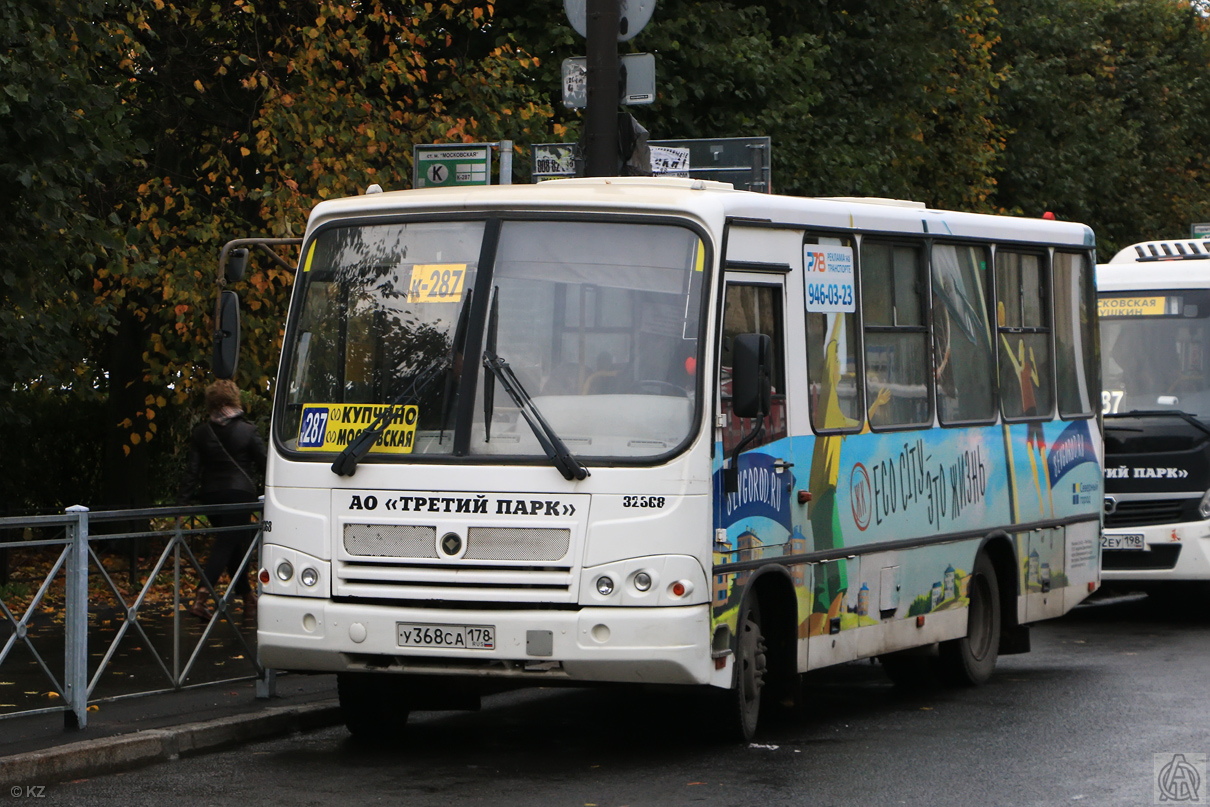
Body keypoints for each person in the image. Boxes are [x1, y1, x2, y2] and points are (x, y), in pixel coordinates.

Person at [178, 379, 267, 627]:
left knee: (232, 546)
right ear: (235, 399)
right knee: (225, 544)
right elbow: (264, 463)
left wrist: (183, 503)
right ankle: (201, 596)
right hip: (239, 495)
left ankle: (248, 597)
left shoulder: (201, 432)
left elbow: (192, 471)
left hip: (211, 496)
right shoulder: (247, 430)